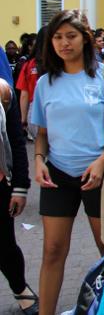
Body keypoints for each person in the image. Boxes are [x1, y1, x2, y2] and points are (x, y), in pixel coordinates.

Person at [31, 9, 104, 315]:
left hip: (100, 173)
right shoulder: (45, 83)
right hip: (57, 174)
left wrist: (102, 161)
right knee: (52, 251)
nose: (64, 43)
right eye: (58, 37)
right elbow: (41, 133)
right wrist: (38, 160)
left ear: (85, 39)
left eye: (71, 36)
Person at [0, 79, 38, 314]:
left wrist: (20, 186)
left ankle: (20, 287)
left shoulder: (3, 91)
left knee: (4, 245)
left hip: (1, 183)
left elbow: (16, 141)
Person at [16, 29, 46, 142]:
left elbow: (24, 94)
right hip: (57, 108)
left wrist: (23, 119)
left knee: (41, 147)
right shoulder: (61, 63)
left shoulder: (29, 64)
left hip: (35, 111)